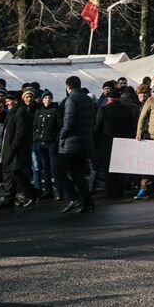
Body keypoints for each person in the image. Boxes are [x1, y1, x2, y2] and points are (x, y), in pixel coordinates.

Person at [56, 75, 97, 213]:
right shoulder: (88, 99)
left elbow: (69, 122)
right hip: (85, 141)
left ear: (68, 87)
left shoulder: (70, 100)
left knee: (57, 169)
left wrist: (61, 137)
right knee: (78, 173)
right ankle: (88, 203)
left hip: (71, 143)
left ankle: (74, 197)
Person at [31, 90, 62, 198]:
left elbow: (60, 127)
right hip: (40, 143)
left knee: (54, 168)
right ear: (42, 100)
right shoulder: (39, 111)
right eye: (45, 98)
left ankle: (59, 191)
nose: (48, 100)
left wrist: (56, 140)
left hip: (51, 143)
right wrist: (35, 138)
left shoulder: (56, 110)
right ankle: (48, 191)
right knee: (45, 168)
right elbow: (34, 126)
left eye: (49, 98)